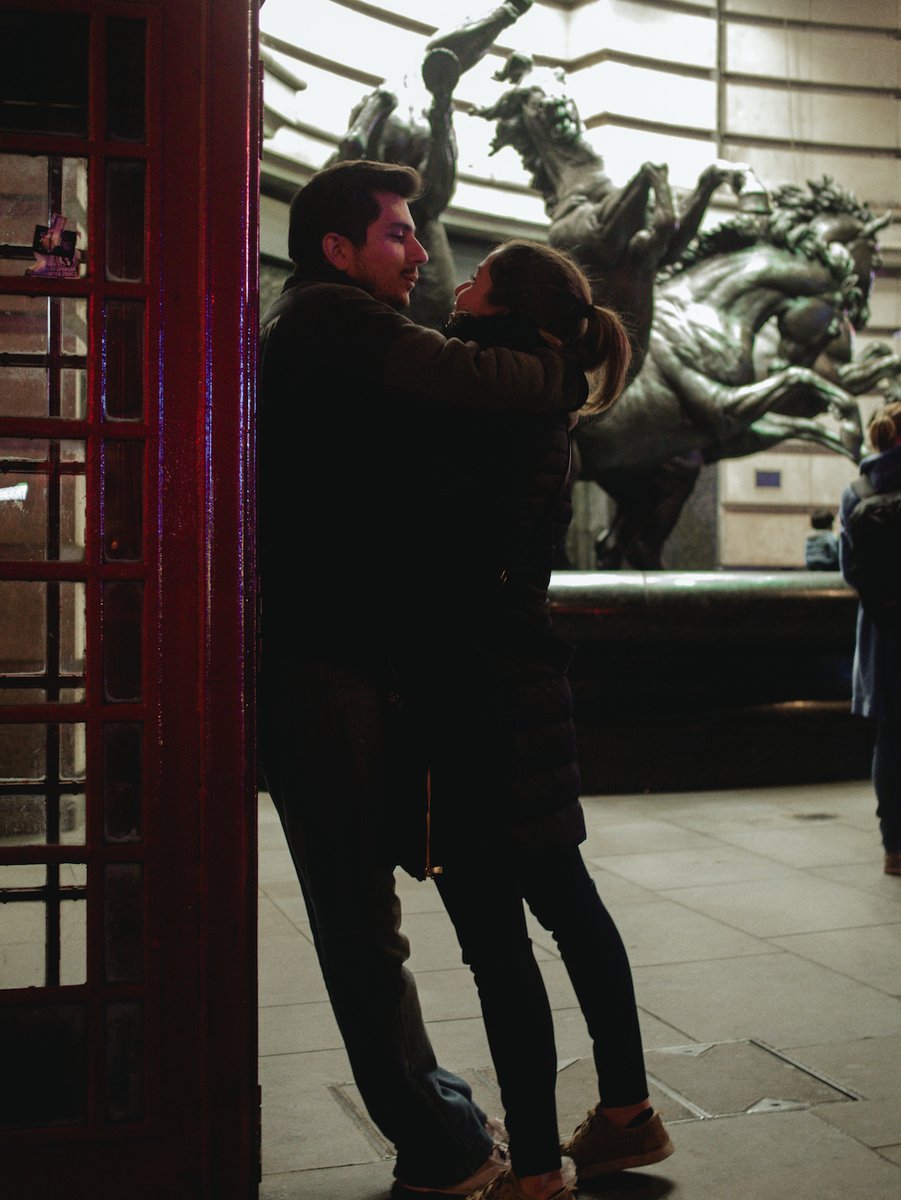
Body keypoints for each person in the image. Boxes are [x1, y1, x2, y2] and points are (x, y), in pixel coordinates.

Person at [256, 160, 589, 1199]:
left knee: (368, 914)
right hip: (325, 670)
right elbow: (475, 377)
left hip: (336, 660)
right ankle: (437, 1142)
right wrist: (567, 370)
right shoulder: (333, 320)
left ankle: (433, 1106)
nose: (419, 252)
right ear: (339, 249)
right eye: (400, 233)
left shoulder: (325, 325)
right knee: (361, 921)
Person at [388, 240, 674, 1200]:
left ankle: (539, 1166)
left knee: (493, 935)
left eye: (472, 281)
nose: (453, 285)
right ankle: (626, 1114)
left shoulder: (483, 395)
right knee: (569, 904)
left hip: (466, 694)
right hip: (523, 681)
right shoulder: (539, 395)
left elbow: (424, 532)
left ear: (503, 307)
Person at [839, 401, 901, 877]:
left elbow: (850, 571)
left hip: (882, 635)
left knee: (889, 738)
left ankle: (893, 848)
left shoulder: (856, 491)